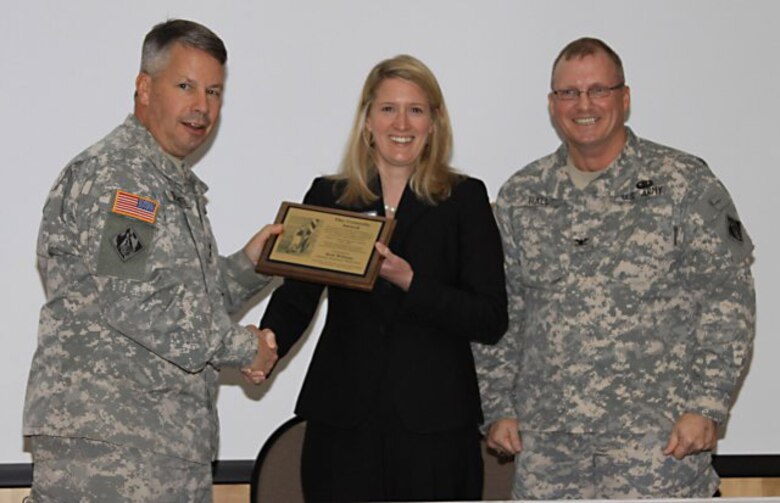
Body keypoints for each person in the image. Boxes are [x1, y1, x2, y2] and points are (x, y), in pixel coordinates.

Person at [473, 37, 755, 500]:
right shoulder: (522, 195)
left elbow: (728, 299)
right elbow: (505, 312)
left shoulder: (683, 182)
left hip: (658, 450)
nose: (584, 104)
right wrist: (499, 407)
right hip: (550, 453)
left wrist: (706, 405)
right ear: (552, 104)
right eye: (569, 93)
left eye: (598, 90)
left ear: (624, 98)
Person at [23, 19, 279, 502]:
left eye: (214, 92)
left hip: (164, 444)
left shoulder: (169, 184)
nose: (202, 106)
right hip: (111, 448)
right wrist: (244, 349)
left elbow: (185, 301)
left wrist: (252, 264)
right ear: (144, 87)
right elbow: (136, 302)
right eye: (185, 86)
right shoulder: (121, 179)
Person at [257, 54, 508, 502]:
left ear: (434, 122)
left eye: (416, 109)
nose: (402, 123)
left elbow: (490, 317)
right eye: (388, 108)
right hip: (344, 424)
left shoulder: (464, 199)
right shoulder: (328, 195)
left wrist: (414, 283)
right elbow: (298, 295)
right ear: (368, 120)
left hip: (436, 428)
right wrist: (266, 345)